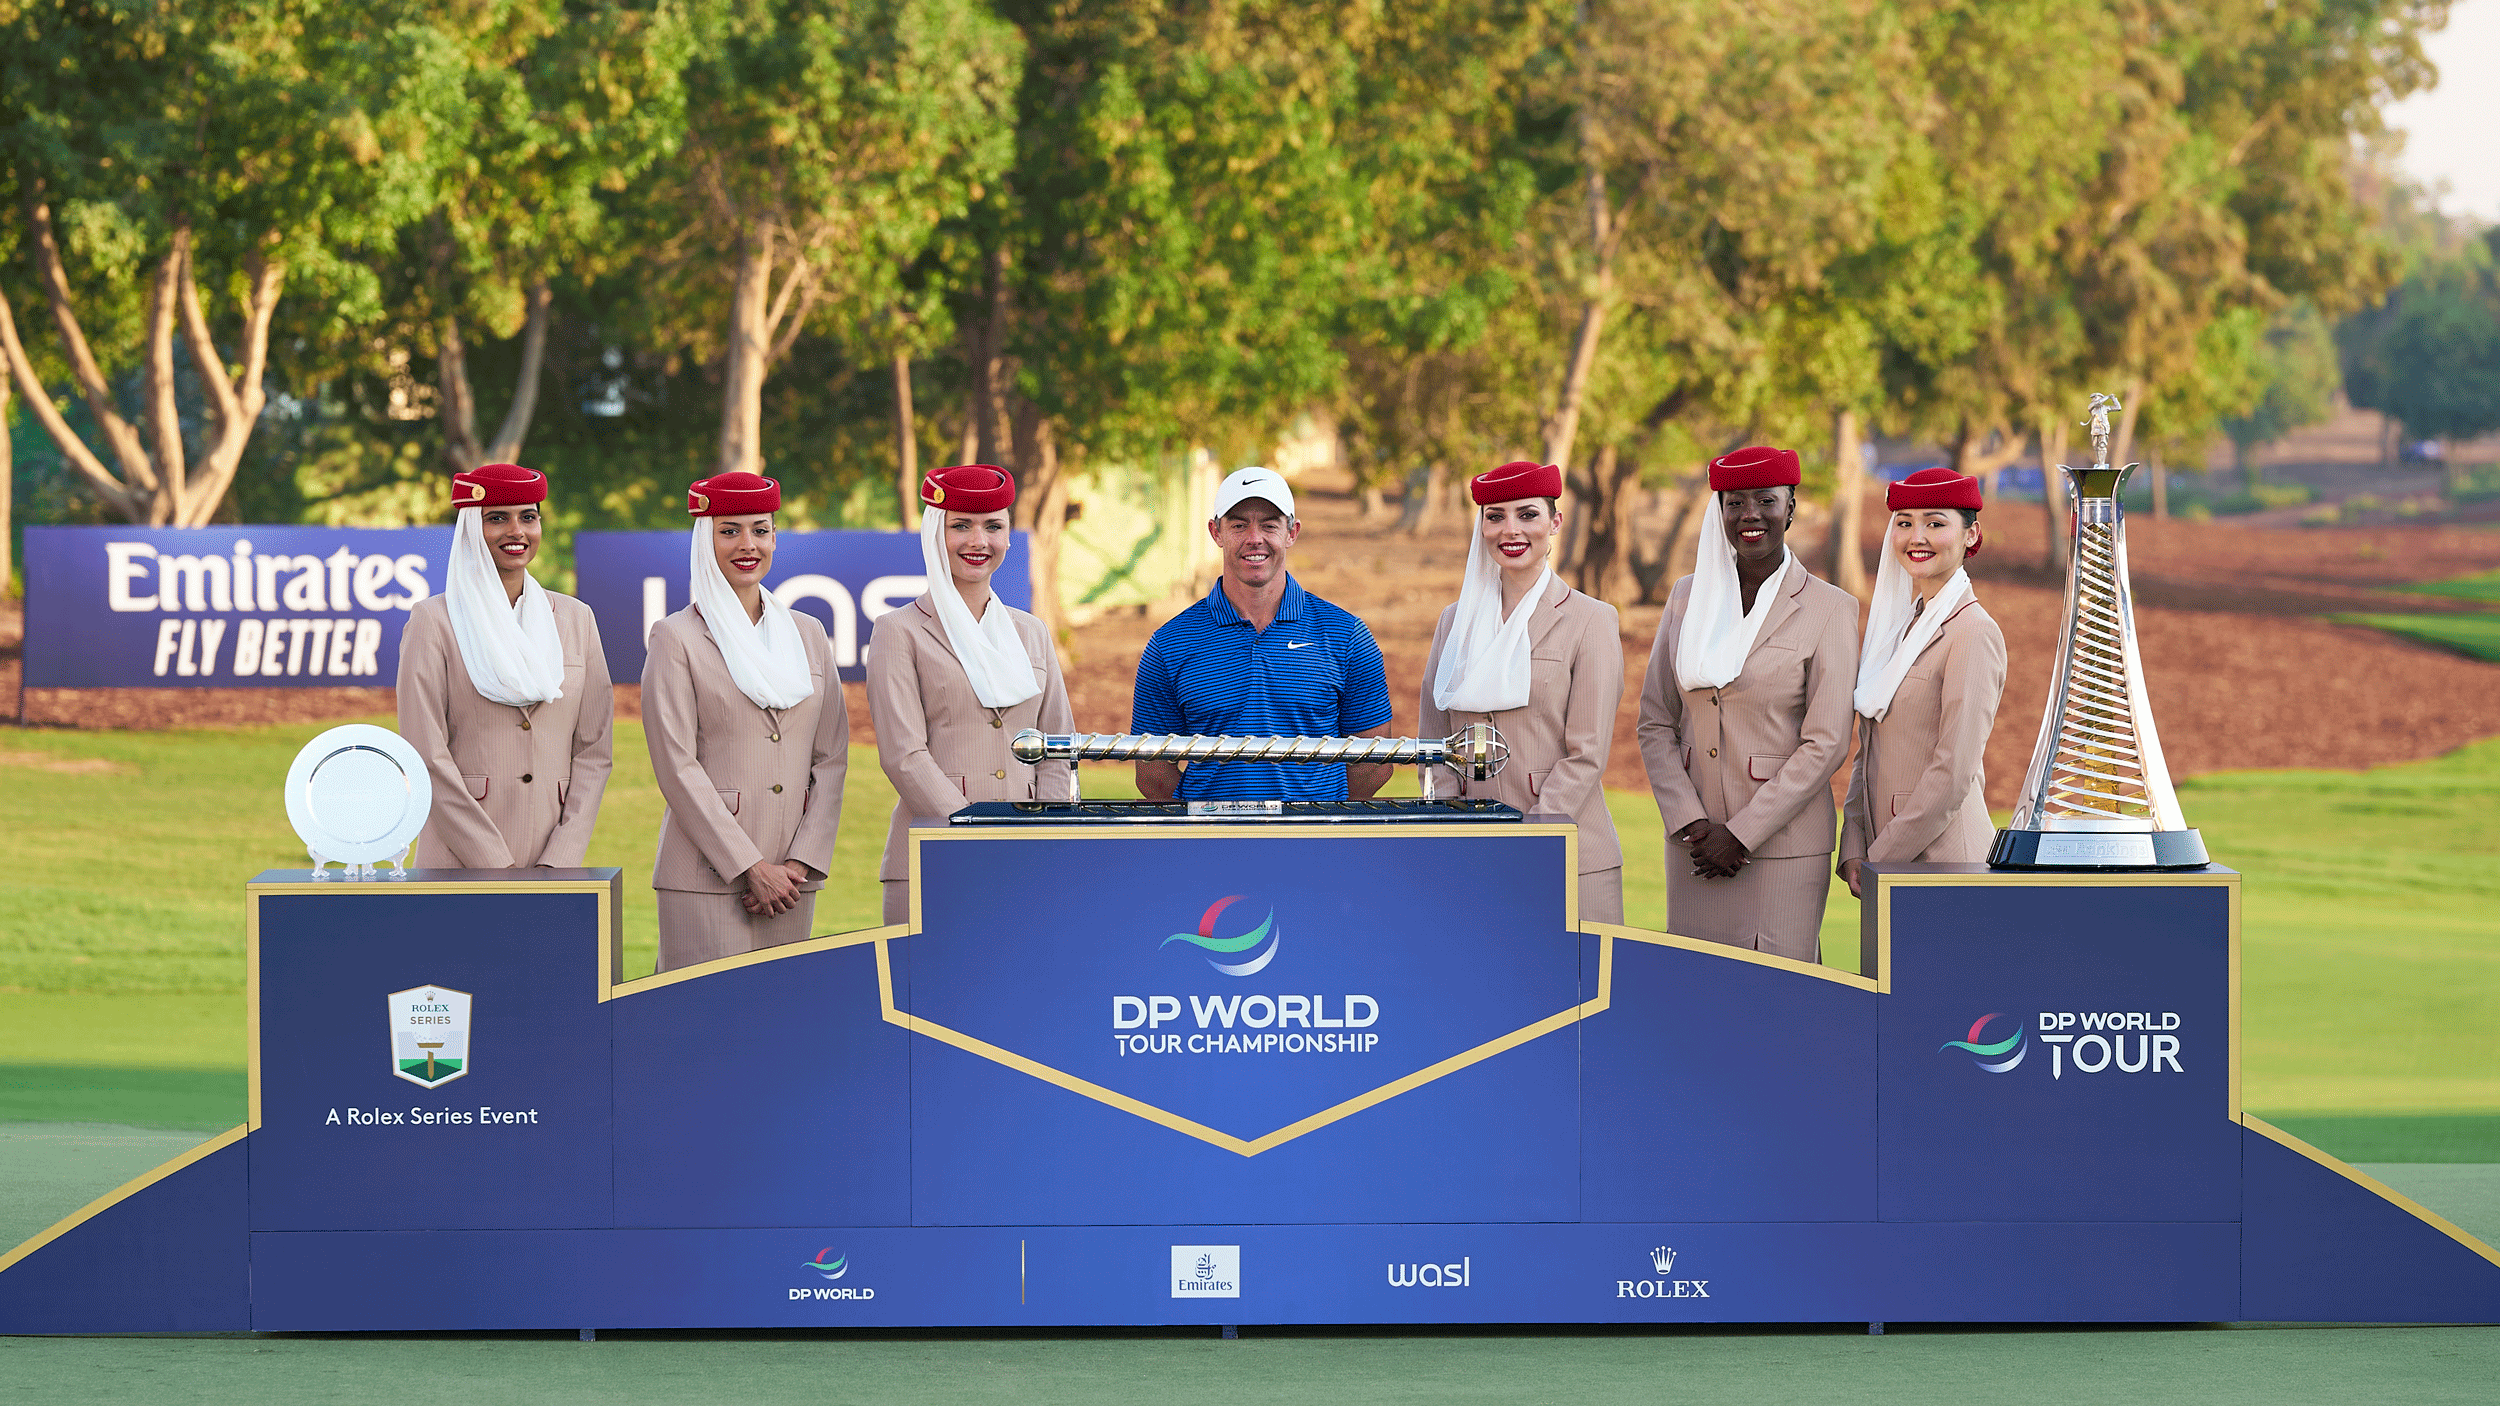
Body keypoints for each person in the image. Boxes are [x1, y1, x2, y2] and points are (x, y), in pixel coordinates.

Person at [1637, 445, 1858, 962]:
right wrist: (1690, 821)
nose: (1750, 515)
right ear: (1720, 511)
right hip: (1694, 847)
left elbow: (1826, 743)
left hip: (1782, 846)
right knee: (1699, 997)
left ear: (1791, 506)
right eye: (1735, 503)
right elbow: (1654, 722)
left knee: (1781, 1002)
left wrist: (1742, 834)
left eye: (1766, 500)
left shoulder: (1830, 608)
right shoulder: (1686, 598)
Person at [643, 470, 849, 972]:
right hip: (706, 877)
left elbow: (832, 757)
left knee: (781, 1029)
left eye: (760, 529)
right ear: (703, 540)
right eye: (729, 530)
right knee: (700, 1029)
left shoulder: (809, 632)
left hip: (793, 885)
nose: (747, 544)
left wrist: (798, 865)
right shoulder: (676, 638)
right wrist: (749, 867)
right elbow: (677, 766)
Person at [867, 464, 1077, 925]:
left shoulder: (1032, 632)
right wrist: (973, 829)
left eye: (993, 527)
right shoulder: (898, 631)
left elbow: (1058, 745)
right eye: (960, 525)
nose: (977, 541)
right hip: (931, 855)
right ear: (933, 534)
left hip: (1024, 859)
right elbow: (904, 755)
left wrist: (1047, 828)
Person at [1418, 460, 1627, 922]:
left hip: (1569, 855)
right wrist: (1449, 824)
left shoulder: (1591, 621)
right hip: (1474, 857)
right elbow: (1434, 745)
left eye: (1527, 514)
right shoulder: (1454, 622)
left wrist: (1531, 838)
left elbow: (1586, 752)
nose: (1510, 529)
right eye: (1495, 516)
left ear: (1554, 522)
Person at [396, 461, 613, 869]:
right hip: (460, 858)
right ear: (470, 529)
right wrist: (494, 863)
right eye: (497, 519)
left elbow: (594, 751)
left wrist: (560, 859)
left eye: (528, 517)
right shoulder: (434, 620)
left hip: (554, 860)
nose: (517, 531)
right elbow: (426, 752)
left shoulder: (576, 618)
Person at [1132, 466, 1394, 801]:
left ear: (1292, 532)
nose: (1254, 538)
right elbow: (1152, 772)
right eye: (1239, 524)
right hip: (1211, 848)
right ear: (1216, 532)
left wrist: (1316, 816)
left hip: (1316, 848)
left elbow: (1375, 762)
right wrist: (1205, 819)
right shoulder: (1170, 644)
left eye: (1269, 524)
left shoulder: (1346, 636)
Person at [1838, 466, 2008, 895]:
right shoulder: (1900, 628)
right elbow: (1869, 747)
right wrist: (1854, 842)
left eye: (1936, 523)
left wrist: (1882, 856)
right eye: (1905, 523)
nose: (1917, 537)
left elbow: (1953, 770)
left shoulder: (1973, 631)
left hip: (1945, 861)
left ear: (1970, 534)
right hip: (1890, 859)